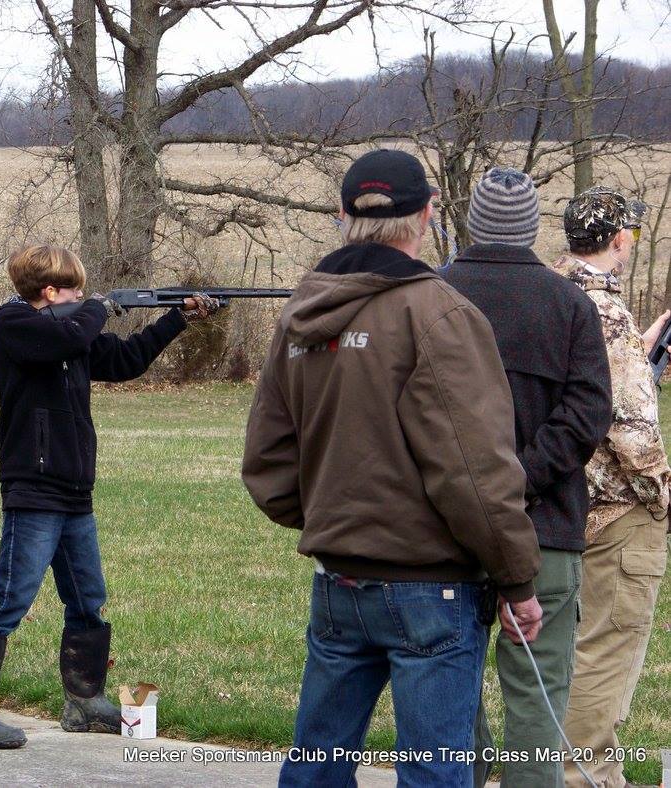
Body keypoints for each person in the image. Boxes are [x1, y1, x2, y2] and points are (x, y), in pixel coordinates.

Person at [242, 149, 543, 788]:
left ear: (341, 215)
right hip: (430, 589)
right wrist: (517, 579)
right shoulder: (439, 315)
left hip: (338, 580)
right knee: (435, 774)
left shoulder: (300, 315)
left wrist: (336, 519)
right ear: (428, 216)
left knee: (314, 771)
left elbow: (267, 462)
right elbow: (476, 469)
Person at [0, 244, 218, 749]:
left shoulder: (70, 334)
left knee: (89, 602)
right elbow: (72, 332)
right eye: (73, 290)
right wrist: (100, 305)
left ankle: (86, 702)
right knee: (10, 601)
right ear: (50, 293)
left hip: (75, 491)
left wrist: (177, 319)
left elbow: (126, 360)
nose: (82, 299)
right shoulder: (14, 324)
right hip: (33, 488)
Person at [443, 168, 613, 786]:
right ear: (530, 228)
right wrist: (520, 480)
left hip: (444, 530)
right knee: (537, 699)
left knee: (445, 682)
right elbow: (589, 412)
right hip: (544, 530)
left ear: (473, 222)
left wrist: (479, 486)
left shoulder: (433, 295)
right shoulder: (570, 304)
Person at [551, 187, 669, 788]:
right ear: (620, 240)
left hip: (559, 504)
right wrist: (662, 494)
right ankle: (584, 775)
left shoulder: (549, 295)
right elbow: (630, 430)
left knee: (562, 652)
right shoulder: (609, 314)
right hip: (616, 514)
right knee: (604, 650)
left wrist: (638, 357)